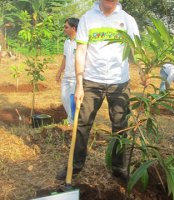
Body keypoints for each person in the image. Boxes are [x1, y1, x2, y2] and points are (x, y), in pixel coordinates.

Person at [56, 0, 140, 181]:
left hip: (120, 83)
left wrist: (143, 70)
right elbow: (81, 50)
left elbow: (136, 50)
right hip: (91, 81)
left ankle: (119, 167)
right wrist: (79, 84)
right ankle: (75, 166)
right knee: (82, 124)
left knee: (120, 126)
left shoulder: (128, 20)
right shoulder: (88, 19)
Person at [56, 18, 79, 127]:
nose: (64, 29)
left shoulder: (80, 42)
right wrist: (59, 72)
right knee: (64, 97)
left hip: (76, 77)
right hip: (67, 76)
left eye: (66, 27)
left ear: (73, 28)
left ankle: (72, 123)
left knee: (72, 100)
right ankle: (72, 120)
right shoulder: (66, 42)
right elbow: (65, 58)